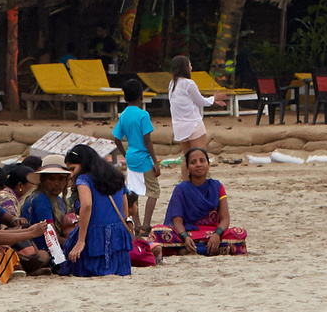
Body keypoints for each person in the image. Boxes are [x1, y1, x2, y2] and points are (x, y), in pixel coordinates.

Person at [62, 143, 137, 276]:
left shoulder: (83, 180)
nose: (72, 174)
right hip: (118, 237)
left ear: (83, 164)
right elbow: (124, 212)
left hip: (95, 237)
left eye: (73, 169)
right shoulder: (117, 176)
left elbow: (87, 205)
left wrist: (81, 241)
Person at [160, 146, 245, 255]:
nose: (198, 165)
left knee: (239, 233)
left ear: (208, 165)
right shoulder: (181, 189)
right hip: (189, 233)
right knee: (158, 232)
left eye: (202, 161)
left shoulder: (217, 187)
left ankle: (188, 250)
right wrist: (185, 237)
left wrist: (217, 234)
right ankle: (215, 250)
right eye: (193, 162)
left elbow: (225, 219)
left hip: (212, 233)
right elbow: (177, 221)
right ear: (187, 168)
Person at [111, 84, 159, 233]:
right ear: (141, 96)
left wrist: (124, 153)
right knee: (154, 190)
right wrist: (155, 161)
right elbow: (147, 140)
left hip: (131, 156)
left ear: (125, 98)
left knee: (134, 191)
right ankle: (146, 223)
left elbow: (116, 138)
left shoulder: (123, 115)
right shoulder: (143, 115)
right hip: (143, 157)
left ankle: (136, 224)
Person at [165, 53, 219, 162]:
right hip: (193, 124)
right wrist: (213, 98)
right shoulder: (189, 84)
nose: (191, 68)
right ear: (184, 68)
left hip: (179, 126)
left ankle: (186, 179)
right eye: (189, 65)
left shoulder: (172, 84)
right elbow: (201, 101)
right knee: (200, 157)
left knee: (187, 158)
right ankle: (199, 179)